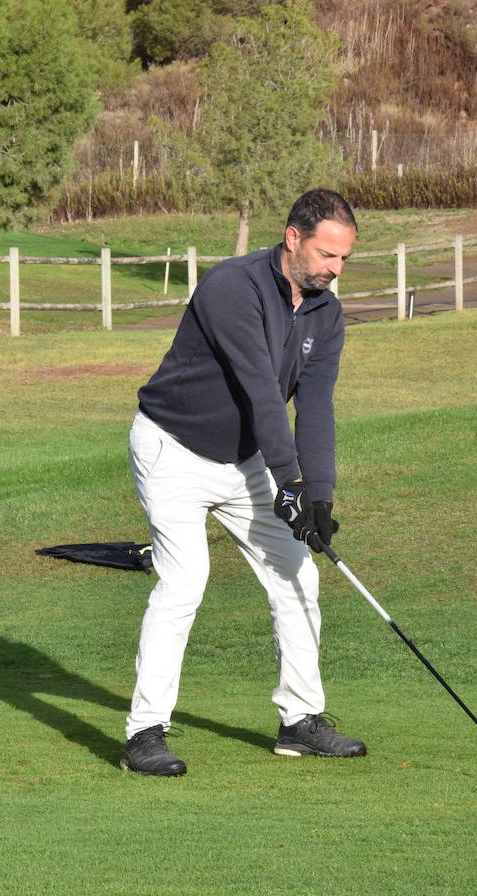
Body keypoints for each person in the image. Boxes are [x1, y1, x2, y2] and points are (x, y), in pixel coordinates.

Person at [123, 189, 362, 777]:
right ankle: (145, 732)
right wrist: (289, 485)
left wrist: (319, 495)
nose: (334, 270)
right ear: (292, 238)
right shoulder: (232, 285)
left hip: (245, 462)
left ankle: (301, 721)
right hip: (172, 449)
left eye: (344, 260)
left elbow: (317, 409)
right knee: (186, 582)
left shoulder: (326, 315)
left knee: (298, 573)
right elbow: (260, 388)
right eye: (326, 255)